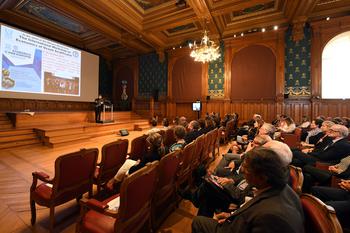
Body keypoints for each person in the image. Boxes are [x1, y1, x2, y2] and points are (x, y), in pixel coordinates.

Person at [192, 147, 304, 233]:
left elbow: (254, 217)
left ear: (262, 177)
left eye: (246, 168)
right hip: (238, 219)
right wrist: (233, 215)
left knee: (198, 222)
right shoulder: (282, 188)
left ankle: (194, 198)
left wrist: (232, 219)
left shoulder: (272, 216)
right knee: (208, 198)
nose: (243, 170)